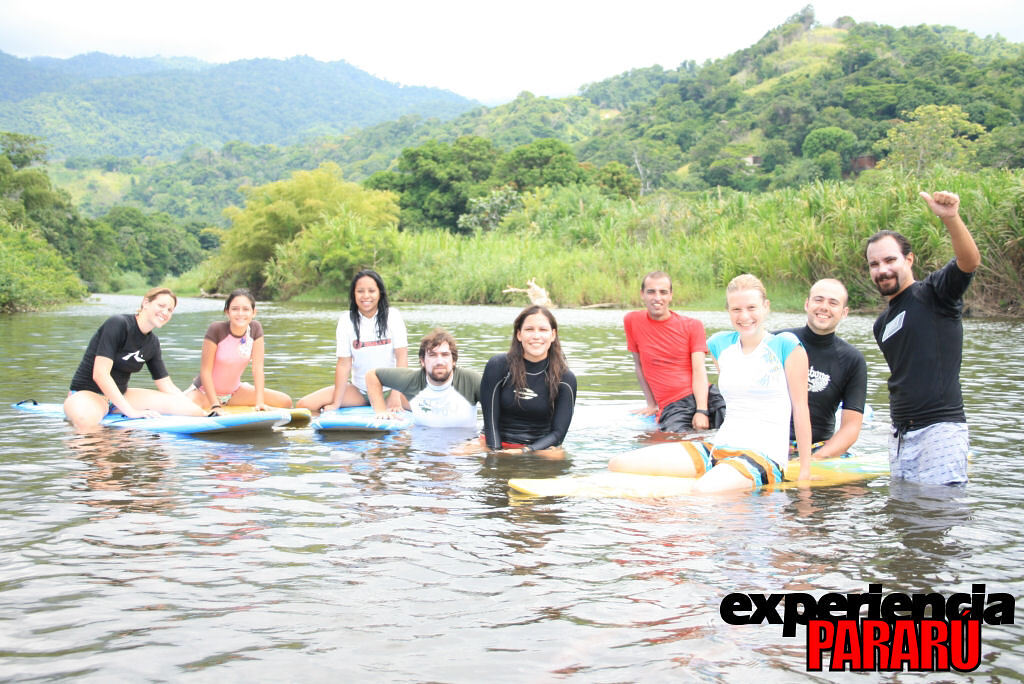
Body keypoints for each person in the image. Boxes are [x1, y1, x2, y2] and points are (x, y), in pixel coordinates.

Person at [610, 274, 812, 492]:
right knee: (619, 465)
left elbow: (800, 409)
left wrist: (805, 471)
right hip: (718, 449)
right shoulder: (719, 344)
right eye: (736, 309)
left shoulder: (786, 345)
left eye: (752, 307)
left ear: (766, 307)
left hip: (764, 454)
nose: (744, 316)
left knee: (702, 491)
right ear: (728, 310)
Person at [865, 190, 981, 485]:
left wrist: (951, 218)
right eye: (874, 264)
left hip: (940, 429)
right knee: (906, 519)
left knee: (937, 516)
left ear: (909, 259)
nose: (883, 270)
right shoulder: (882, 324)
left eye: (890, 260)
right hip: (901, 434)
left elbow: (968, 261)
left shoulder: (934, 294)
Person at [63, 287, 208, 431]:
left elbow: (166, 386)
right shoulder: (118, 324)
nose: (165, 312)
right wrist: (130, 412)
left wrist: (204, 413)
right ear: (146, 303)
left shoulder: (152, 343)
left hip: (122, 395)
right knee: (85, 423)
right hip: (89, 394)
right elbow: (100, 375)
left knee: (194, 411)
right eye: (161, 306)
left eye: (170, 310)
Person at [777, 279, 868, 459]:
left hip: (818, 448)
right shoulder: (777, 342)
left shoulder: (853, 360)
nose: (824, 307)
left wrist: (814, 460)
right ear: (807, 304)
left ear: (844, 312)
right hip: (770, 442)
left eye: (833, 303)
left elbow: (851, 427)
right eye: (818, 300)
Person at [297, 269, 408, 414]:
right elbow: (344, 364)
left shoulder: (393, 316)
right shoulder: (346, 320)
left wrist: (396, 396)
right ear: (353, 294)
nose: (366, 296)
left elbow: (402, 358)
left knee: (428, 407)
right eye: (360, 291)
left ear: (380, 293)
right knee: (304, 405)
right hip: (359, 391)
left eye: (371, 291)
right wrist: (336, 403)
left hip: (391, 390)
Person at [624, 270, 723, 431]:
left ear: (670, 295)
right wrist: (651, 404)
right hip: (673, 405)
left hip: (706, 396)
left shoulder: (693, 325)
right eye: (651, 292)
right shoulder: (632, 321)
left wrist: (701, 410)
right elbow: (639, 365)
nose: (657, 298)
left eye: (663, 292)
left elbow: (699, 370)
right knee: (673, 443)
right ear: (642, 294)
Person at [480, 305, 577, 456]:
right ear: (519, 334)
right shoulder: (498, 366)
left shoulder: (565, 379)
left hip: (539, 447)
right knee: (454, 454)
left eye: (543, 330)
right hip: (495, 440)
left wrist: (525, 451)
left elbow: (558, 434)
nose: (536, 336)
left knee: (556, 456)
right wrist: (496, 454)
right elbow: (490, 421)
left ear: (553, 335)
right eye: (529, 329)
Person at [185, 288, 292, 414]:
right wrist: (215, 405)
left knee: (285, 401)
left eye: (246, 309)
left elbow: (257, 369)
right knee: (186, 410)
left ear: (254, 312)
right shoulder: (216, 329)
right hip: (204, 393)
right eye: (235, 309)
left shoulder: (255, 329)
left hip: (234, 394)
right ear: (227, 312)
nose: (240, 313)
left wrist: (260, 403)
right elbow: (205, 371)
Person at [366, 329, 481, 428]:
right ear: (422, 361)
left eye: (445, 355)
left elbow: (497, 411)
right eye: (432, 355)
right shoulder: (411, 380)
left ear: (454, 360)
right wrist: (381, 411)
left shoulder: (471, 380)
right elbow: (372, 375)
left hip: (463, 450)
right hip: (423, 448)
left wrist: (477, 444)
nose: (439, 361)